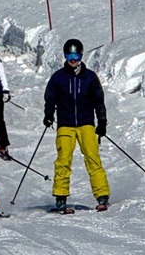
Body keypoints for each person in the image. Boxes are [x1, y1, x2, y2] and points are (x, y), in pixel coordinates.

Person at [42, 38, 110, 213]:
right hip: (65, 124)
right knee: (63, 159)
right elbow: (50, 98)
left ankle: (102, 195)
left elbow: (98, 101)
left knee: (92, 157)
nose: (73, 59)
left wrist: (101, 121)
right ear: (65, 56)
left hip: (86, 123)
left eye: (76, 55)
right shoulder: (58, 77)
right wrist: (49, 115)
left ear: (81, 55)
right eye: (69, 55)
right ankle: (61, 196)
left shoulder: (90, 77)